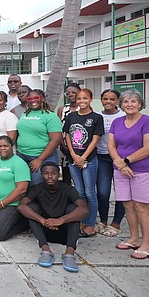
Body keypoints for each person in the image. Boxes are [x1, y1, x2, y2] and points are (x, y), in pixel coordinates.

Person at [108, 90, 149, 260]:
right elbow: (111, 146)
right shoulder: (117, 122)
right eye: (126, 101)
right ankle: (134, 238)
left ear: (140, 104)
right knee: (128, 205)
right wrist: (119, 162)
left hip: (144, 169)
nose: (129, 104)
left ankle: (147, 245)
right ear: (121, 104)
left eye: (133, 101)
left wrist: (126, 161)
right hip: (121, 168)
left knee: (141, 206)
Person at [18, 162, 88, 273]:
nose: (50, 176)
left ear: (58, 174)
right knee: (31, 208)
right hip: (45, 231)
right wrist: (43, 220)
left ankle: (69, 253)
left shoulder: (68, 189)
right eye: (46, 173)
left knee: (74, 209)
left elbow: (84, 209)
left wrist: (61, 220)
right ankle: (46, 251)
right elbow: (21, 206)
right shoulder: (37, 189)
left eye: (53, 173)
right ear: (41, 175)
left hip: (64, 232)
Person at [63, 88, 104, 237]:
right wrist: (74, 155)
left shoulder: (96, 118)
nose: (82, 101)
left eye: (85, 98)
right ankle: (81, 220)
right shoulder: (71, 116)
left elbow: (95, 139)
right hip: (74, 159)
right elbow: (67, 135)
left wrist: (83, 157)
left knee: (89, 193)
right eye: (79, 99)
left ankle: (90, 224)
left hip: (89, 160)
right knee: (79, 192)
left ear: (91, 99)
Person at [16, 89, 62, 186]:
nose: (33, 100)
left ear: (43, 99)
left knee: (37, 187)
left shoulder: (51, 117)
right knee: (23, 186)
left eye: (36, 98)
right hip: (22, 155)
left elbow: (56, 140)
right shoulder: (25, 114)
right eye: (30, 98)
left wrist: (39, 160)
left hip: (42, 157)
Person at [95, 89, 125, 236]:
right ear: (101, 99)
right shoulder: (97, 116)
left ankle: (116, 223)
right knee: (102, 191)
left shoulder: (123, 116)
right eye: (105, 99)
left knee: (121, 192)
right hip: (102, 158)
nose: (108, 102)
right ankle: (103, 220)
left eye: (112, 99)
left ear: (117, 101)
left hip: (120, 159)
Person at [58, 83, 81, 184]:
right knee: (66, 176)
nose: (70, 95)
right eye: (68, 93)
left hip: (80, 148)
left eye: (73, 92)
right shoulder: (62, 109)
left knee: (80, 178)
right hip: (64, 148)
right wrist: (63, 146)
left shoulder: (84, 109)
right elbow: (58, 129)